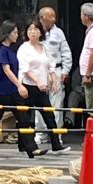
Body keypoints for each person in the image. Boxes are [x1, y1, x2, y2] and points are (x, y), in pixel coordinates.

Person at [0, 20, 46, 158]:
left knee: (23, 119)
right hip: (3, 91)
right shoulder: (2, 50)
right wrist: (19, 85)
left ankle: (31, 148)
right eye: (15, 33)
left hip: (12, 90)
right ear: (7, 33)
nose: (17, 35)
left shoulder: (11, 49)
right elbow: (7, 70)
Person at [16, 20, 71, 154]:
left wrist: (52, 78)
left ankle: (56, 145)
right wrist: (38, 81)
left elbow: (50, 65)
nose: (32, 32)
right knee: (25, 117)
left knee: (49, 115)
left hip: (42, 88)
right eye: (30, 29)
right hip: (28, 86)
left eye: (35, 29)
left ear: (41, 32)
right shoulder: (24, 48)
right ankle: (23, 144)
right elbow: (24, 68)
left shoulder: (43, 47)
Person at [37, 7, 73, 136]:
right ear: (42, 18)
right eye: (50, 16)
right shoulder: (35, 31)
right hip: (40, 72)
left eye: (54, 16)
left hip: (56, 71)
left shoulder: (59, 33)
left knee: (57, 104)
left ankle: (56, 134)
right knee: (40, 105)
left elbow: (66, 53)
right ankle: (40, 134)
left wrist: (65, 71)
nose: (53, 19)